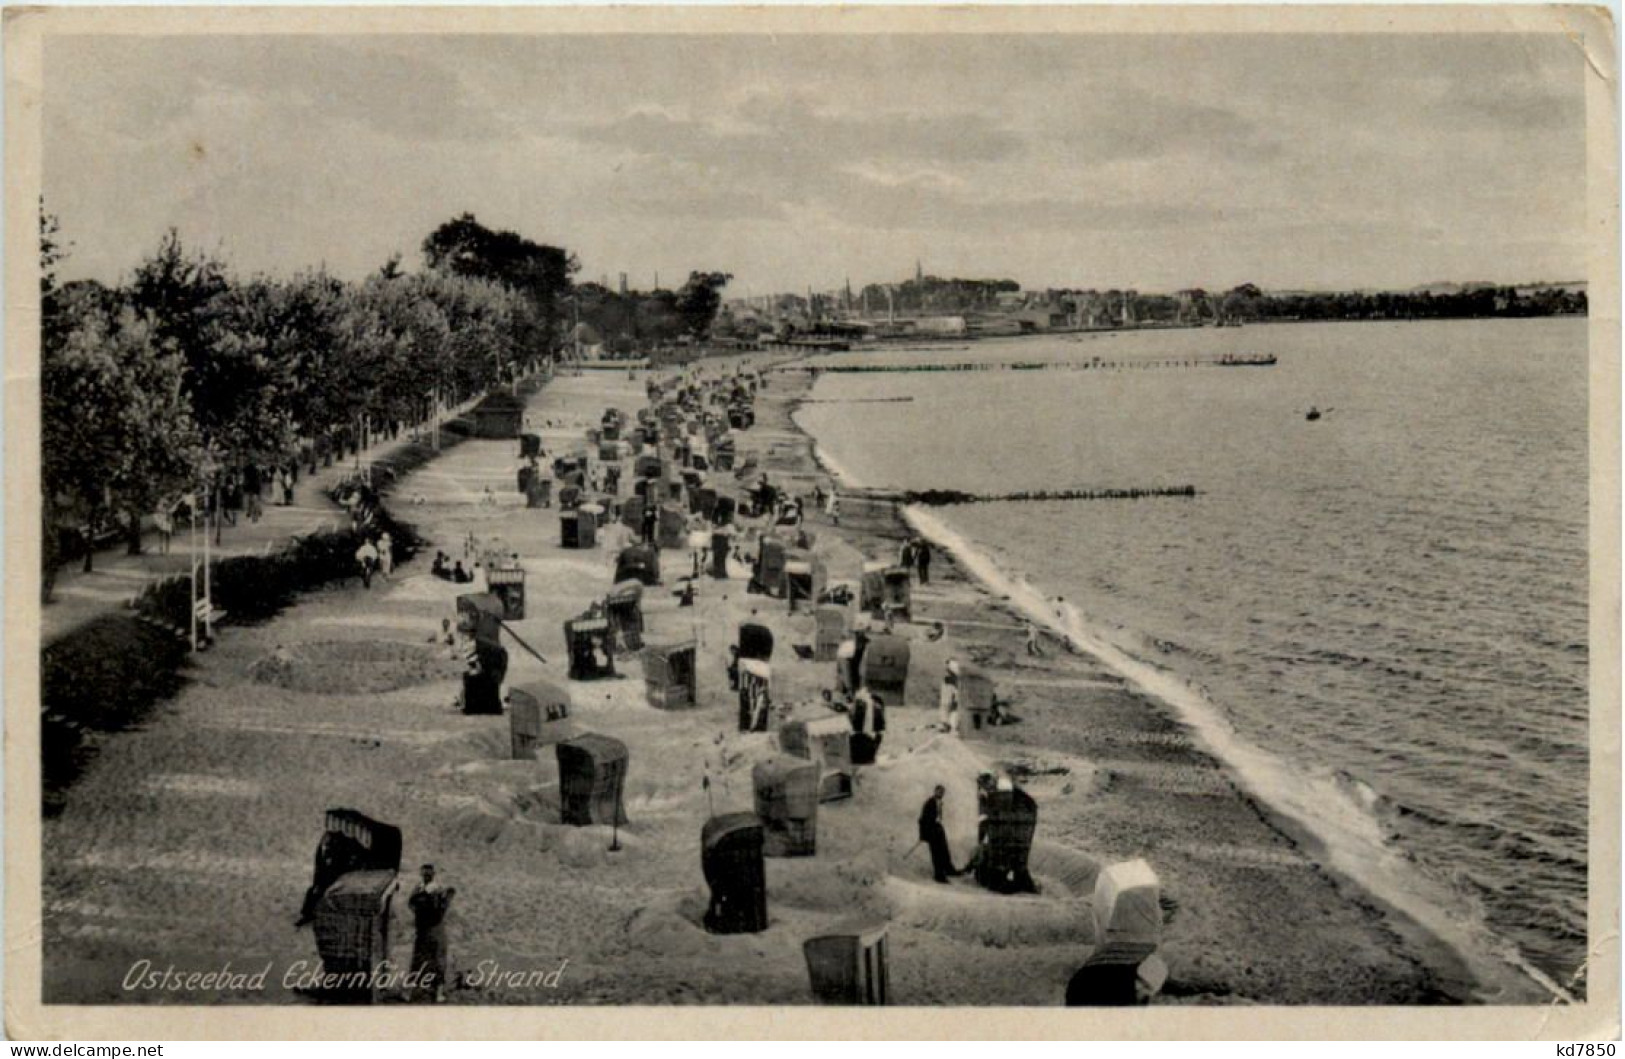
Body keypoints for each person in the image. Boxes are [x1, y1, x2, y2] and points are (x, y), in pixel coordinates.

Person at [408, 864, 455, 1003]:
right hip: (423, 929)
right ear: (422, 874)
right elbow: (411, 904)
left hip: (435, 929)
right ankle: (412, 992)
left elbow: (441, 910)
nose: (427, 876)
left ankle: (438, 992)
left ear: (433, 875)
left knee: (438, 961)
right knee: (418, 960)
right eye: (424, 873)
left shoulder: (438, 890)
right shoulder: (418, 889)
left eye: (429, 874)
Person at [917, 785, 957, 884]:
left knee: (944, 850)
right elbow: (922, 820)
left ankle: (949, 870)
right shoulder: (929, 803)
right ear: (935, 791)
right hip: (932, 831)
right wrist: (923, 835)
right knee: (936, 853)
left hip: (938, 828)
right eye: (939, 792)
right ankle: (939, 875)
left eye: (942, 792)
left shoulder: (939, 802)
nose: (941, 794)